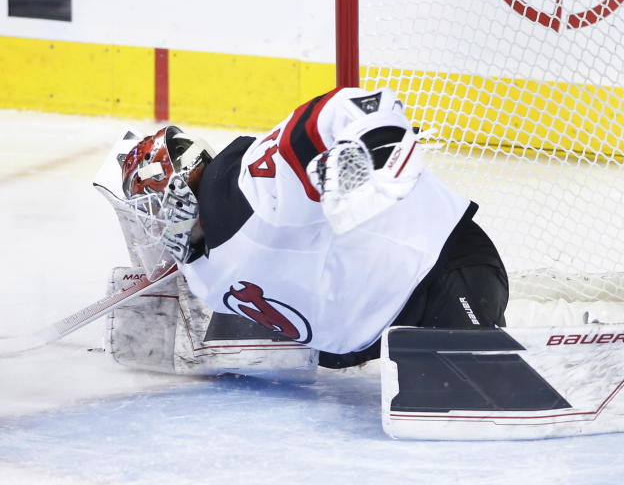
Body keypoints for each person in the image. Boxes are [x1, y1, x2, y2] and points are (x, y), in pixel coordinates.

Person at [94, 86, 508, 378]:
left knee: (479, 381)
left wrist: (376, 144)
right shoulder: (200, 263)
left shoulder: (249, 189)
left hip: (442, 276)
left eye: (150, 207)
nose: (149, 223)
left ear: (179, 193)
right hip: (375, 333)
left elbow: (344, 107)